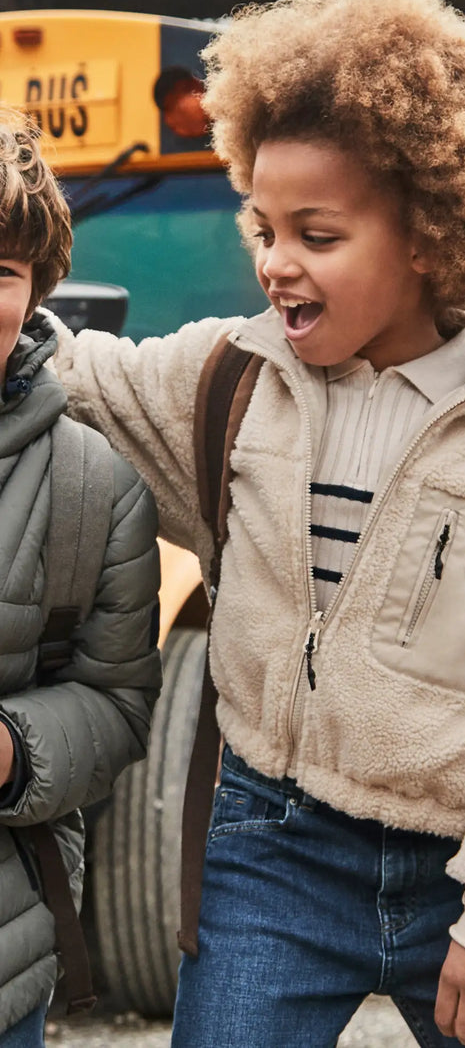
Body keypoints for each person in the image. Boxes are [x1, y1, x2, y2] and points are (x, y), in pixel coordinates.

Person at [52, 0, 465, 1045]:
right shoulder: (230, 380)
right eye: (263, 226)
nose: (274, 261)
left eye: (317, 234)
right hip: (270, 850)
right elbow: (81, 376)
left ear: (430, 235)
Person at [0, 109, 162, 1045]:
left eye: (0, 271)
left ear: (38, 289)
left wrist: (13, 751)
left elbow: (118, 703)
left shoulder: (95, 486)